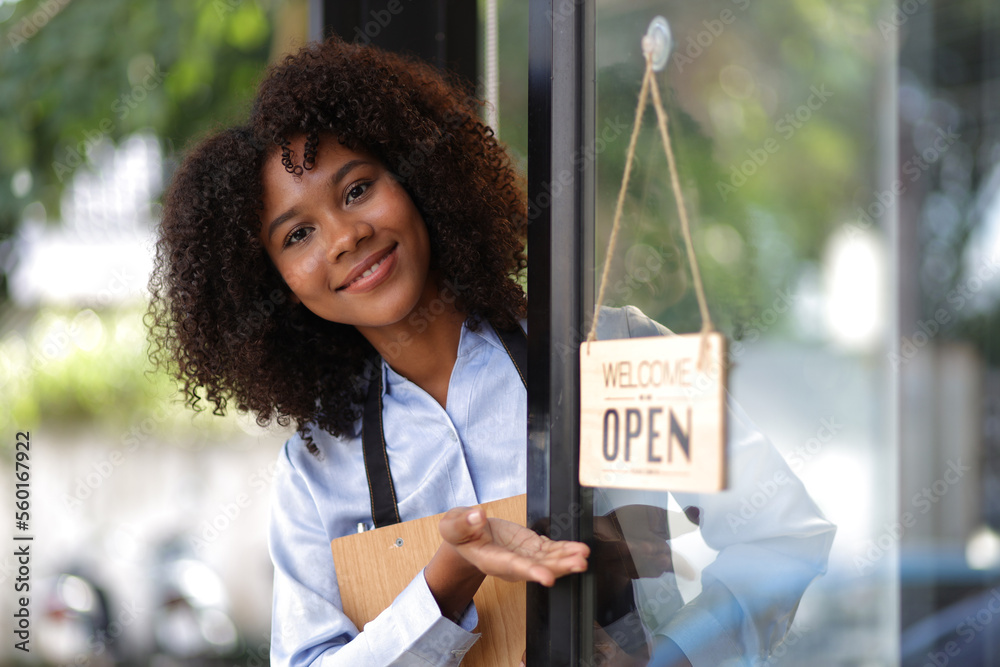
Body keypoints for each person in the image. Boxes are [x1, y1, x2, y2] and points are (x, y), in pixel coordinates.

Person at [148, 36, 834, 667]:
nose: (343, 237)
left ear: (419, 178)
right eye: (296, 234)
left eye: (358, 189)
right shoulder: (317, 468)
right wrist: (448, 576)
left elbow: (780, 531)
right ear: (271, 285)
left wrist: (675, 659)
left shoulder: (611, 354)